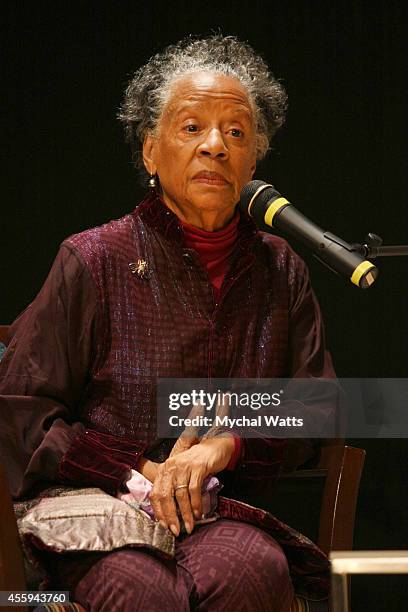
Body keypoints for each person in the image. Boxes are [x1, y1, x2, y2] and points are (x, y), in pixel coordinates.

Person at [0, 35, 336, 611]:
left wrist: (223, 447)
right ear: (150, 152)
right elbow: (25, 412)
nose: (215, 146)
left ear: (254, 160)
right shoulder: (93, 258)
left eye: (236, 132)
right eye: (191, 128)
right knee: (140, 589)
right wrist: (141, 465)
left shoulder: (281, 269)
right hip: (96, 508)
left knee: (253, 568)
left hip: (218, 512)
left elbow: (319, 406)